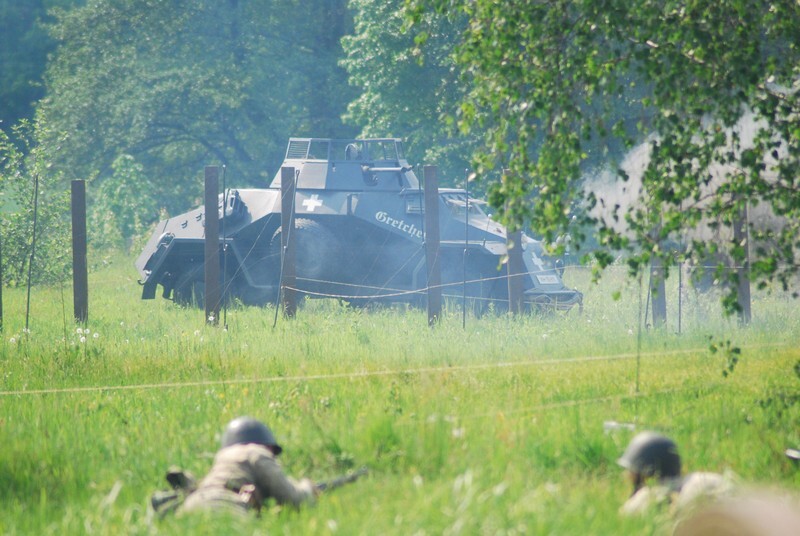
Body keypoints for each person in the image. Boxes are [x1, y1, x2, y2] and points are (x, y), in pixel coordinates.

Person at [177, 416, 318, 516]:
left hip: (190, 505)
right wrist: (307, 488)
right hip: (225, 507)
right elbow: (293, 499)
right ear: (266, 446)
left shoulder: (222, 458)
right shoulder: (255, 452)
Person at [617, 431, 735, 516]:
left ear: (647, 473)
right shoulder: (707, 478)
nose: (627, 475)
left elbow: (624, 516)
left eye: (632, 470)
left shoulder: (650, 495)